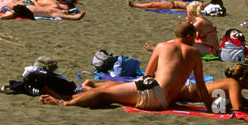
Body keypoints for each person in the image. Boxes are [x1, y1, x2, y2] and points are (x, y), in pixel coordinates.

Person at [41, 22, 211, 111]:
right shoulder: (195, 54)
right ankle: (70, 96)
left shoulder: (162, 46)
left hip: (152, 92)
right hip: (165, 102)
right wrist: (209, 108)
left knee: (104, 94)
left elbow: (149, 74)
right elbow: (201, 86)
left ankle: (65, 103)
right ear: (189, 36)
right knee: (113, 89)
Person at [180, 62, 248, 112]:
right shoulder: (234, 84)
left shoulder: (231, 82)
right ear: (242, 79)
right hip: (186, 90)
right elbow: (238, 109)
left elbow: (242, 100)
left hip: (186, 87)